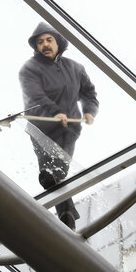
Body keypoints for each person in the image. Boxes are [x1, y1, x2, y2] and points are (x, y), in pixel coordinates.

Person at [19, 22, 99, 229]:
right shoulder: (29, 69)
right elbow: (36, 96)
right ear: (35, 46)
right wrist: (55, 112)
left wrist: (90, 111)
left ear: (58, 42)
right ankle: (67, 217)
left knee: (57, 172)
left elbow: (89, 94)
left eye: (49, 40)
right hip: (41, 126)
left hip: (70, 128)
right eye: (40, 42)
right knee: (53, 169)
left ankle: (67, 212)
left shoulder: (75, 67)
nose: (45, 44)